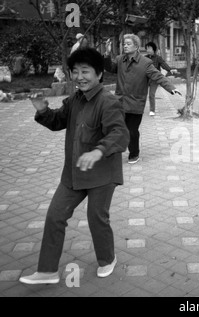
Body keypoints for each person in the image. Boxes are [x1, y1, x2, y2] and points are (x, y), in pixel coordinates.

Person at [19, 48, 130, 285]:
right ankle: (47, 271)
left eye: (85, 71)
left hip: (102, 174)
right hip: (73, 174)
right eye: (75, 71)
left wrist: (98, 151)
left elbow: (119, 133)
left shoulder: (108, 102)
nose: (79, 76)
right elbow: (58, 121)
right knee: (55, 216)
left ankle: (108, 258)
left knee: (96, 218)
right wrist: (42, 110)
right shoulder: (74, 100)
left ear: (99, 74)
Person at [103, 34, 181, 164]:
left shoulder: (145, 63)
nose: (125, 46)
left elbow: (158, 76)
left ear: (136, 46)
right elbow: (109, 68)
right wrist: (107, 53)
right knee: (115, 128)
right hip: (120, 101)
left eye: (128, 43)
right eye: (124, 44)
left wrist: (171, 87)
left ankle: (134, 153)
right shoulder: (120, 59)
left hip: (135, 103)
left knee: (132, 131)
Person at [144, 42, 176, 116]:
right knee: (141, 94)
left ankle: (152, 110)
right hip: (145, 78)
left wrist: (170, 69)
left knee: (151, 94)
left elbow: (163, 64)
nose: (147, 50)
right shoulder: (144, 58)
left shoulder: (158, 58)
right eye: (147, 48)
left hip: (154, 79)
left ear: (153, 49)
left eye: (149, 48)